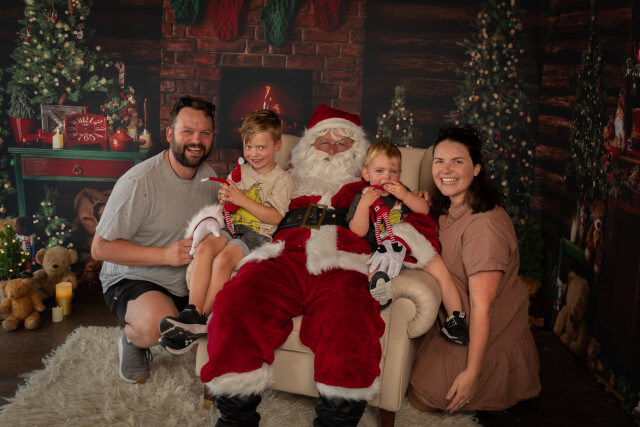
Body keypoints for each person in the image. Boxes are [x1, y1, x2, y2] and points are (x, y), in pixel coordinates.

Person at [199, 104, 438, 426]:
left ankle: (336, 421)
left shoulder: (374, 185)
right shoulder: (282, 176)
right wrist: (216, 217)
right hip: (281, 255)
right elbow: (240, 197)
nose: (332, 150)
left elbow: (416, 220)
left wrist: (409, 207)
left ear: (359, 153)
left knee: (352, 319)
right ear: (309, 146)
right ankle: (235, 419)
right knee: (236, 302)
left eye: (343, 143)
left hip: (343, 261)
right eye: (324, 142)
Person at [408, 126, 541, 414]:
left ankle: (484, 373)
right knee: (415, 385)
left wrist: (472, 373)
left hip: (484, 328)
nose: (446, 170)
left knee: (423, 398)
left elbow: (483, 306)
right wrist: (420, 202)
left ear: (476, 168)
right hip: (453, 316)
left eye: (457, 161)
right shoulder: (449, 207)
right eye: (439, 161)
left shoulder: (484, 227)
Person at [92, 96, 219, 384]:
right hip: (134, 278)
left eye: (205, 133)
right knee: (155, 325)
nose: (196, 140)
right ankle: (132, 341)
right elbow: (99, 248)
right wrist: (165, 255)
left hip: (186, 282)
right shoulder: (139, 182)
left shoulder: (209, 178)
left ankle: (182, 319)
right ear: (170, 134)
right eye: (187, 131)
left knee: (221, 325)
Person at [157, 109, 293, 354]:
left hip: (257, 234)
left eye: (261, 147)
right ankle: (191, 311)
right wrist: (227, 198)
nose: (254, 153)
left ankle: (201, 319)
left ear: (277, 146)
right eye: (248, 147)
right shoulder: (241, 171)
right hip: (232, 226)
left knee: (223, 260)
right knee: (204, 248)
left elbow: (276, 217)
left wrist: (242, 200)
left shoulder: (281, 179)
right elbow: (228, 204)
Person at [347, 141, 469, 344]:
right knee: (373, 269)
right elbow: (357, 231)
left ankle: (456, 318)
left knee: (440, 269)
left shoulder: (402, 192)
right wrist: (364, 205)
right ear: (366, 174)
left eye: (393, 171)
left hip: (410, 247)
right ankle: (379, 293)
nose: (387, 176)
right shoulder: (362, 198)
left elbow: (424, 210)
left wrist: (405, 194)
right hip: (382, 250)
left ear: (400, 174)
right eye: (379, 171)